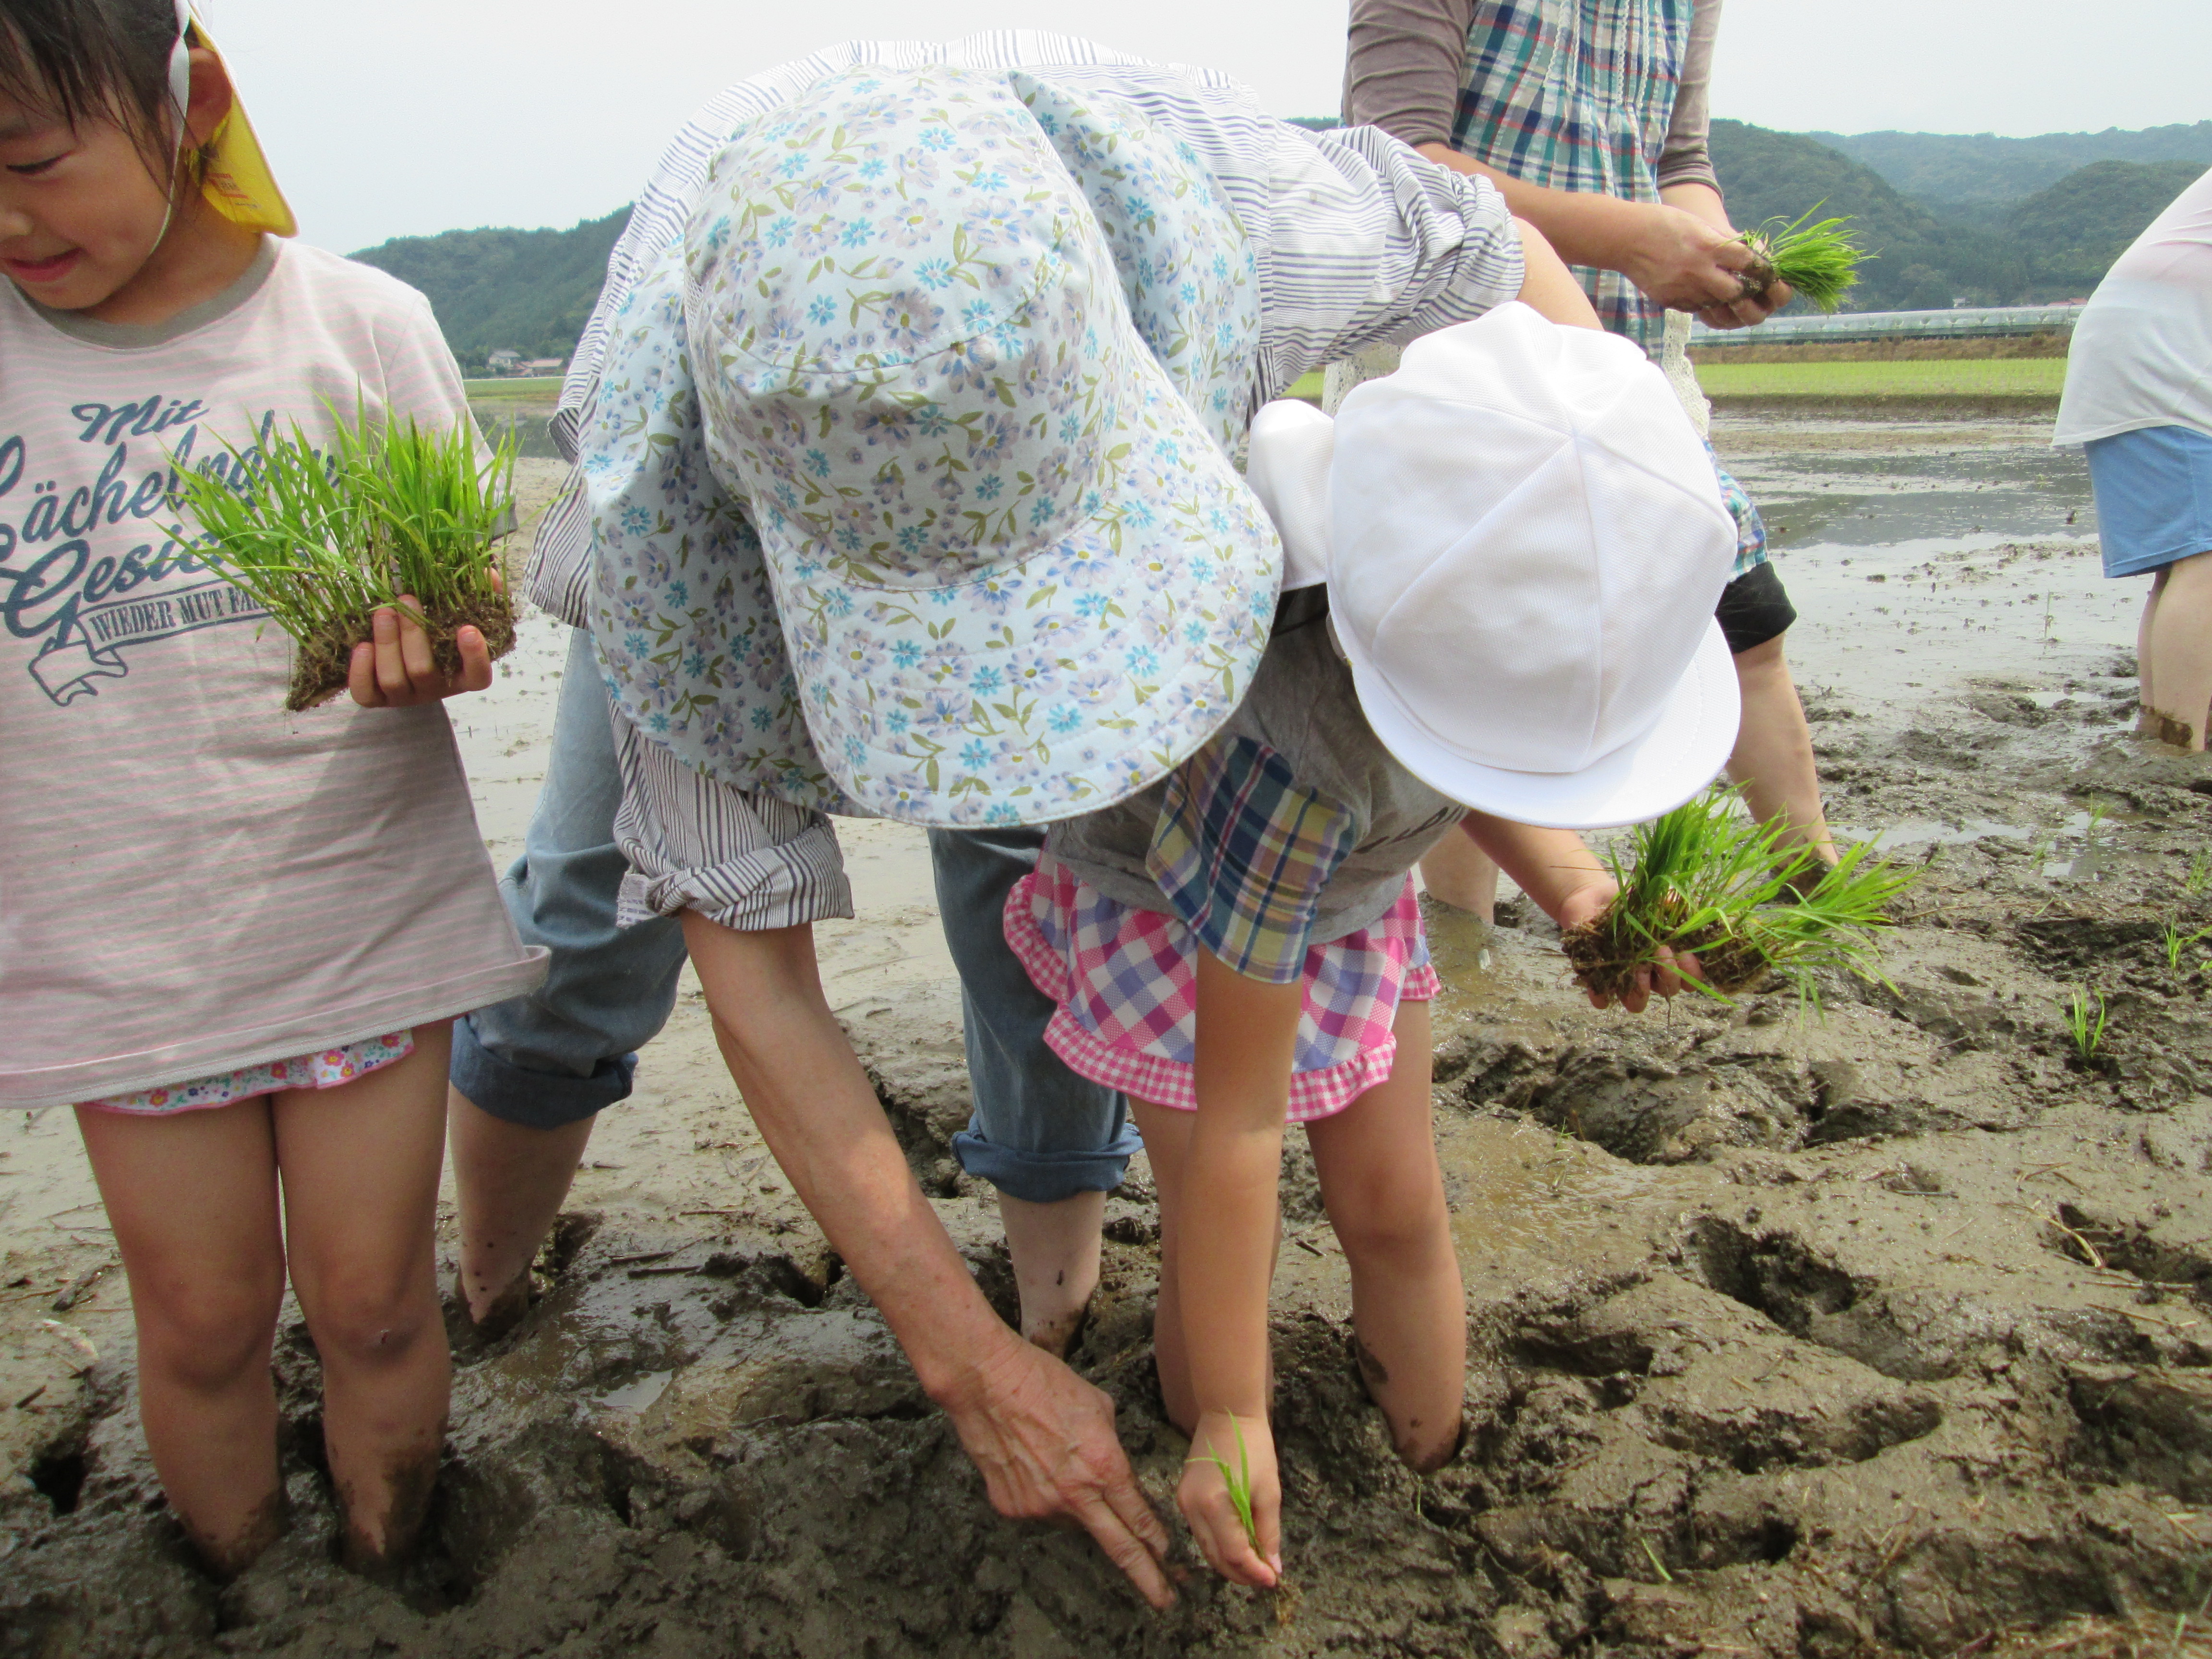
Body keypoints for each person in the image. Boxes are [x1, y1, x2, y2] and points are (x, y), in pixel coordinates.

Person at [451, 36, 1602, 1607]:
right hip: (726, 489)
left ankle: (1051, 1292)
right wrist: (957, 1364)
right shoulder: (668, 510)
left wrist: (1686, 557)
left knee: (1027, 869)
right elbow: (755, 968)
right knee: (590, 910)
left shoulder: (1237, 211)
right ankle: (486, 1281)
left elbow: (1492, 247)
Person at [1010, 304, 1741, 1582]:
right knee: (1205, 1204)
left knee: (1398, 1205)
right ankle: (1216, 1468)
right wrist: (1241, 1414)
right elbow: (1243, 1129)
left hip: (1348, 895)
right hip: (1184, 910)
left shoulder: (1456, 641)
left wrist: (1577, 894)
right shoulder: (1294, 743)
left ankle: (1430, 1468)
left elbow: (1484, 751)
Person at [0, 0, 541, 1577]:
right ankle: (235, 1579)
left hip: (352, 911)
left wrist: (442, 645)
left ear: (192, 102)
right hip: (123, 944)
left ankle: (387, 1558)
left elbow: (475, 600)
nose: (9, 215)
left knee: (374, 1295)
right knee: (202, 1312)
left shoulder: (357, 326)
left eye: (34, 161)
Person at [1341, 0, 1837, 922]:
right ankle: (1466, 935)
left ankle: (1815, 893)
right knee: (1476, 658)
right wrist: (1623, 238)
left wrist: (1711, 250)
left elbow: (1677, 160)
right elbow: (1394, 161)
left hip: (1628, 364)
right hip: (1459, 368)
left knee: (1745, 617)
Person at [2055, 167, 2212, 748]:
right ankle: (2180, 744)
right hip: (2170, 358)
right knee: (2206, 561)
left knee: (2185, 563)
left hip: (2146, 348)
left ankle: (2165, 729)